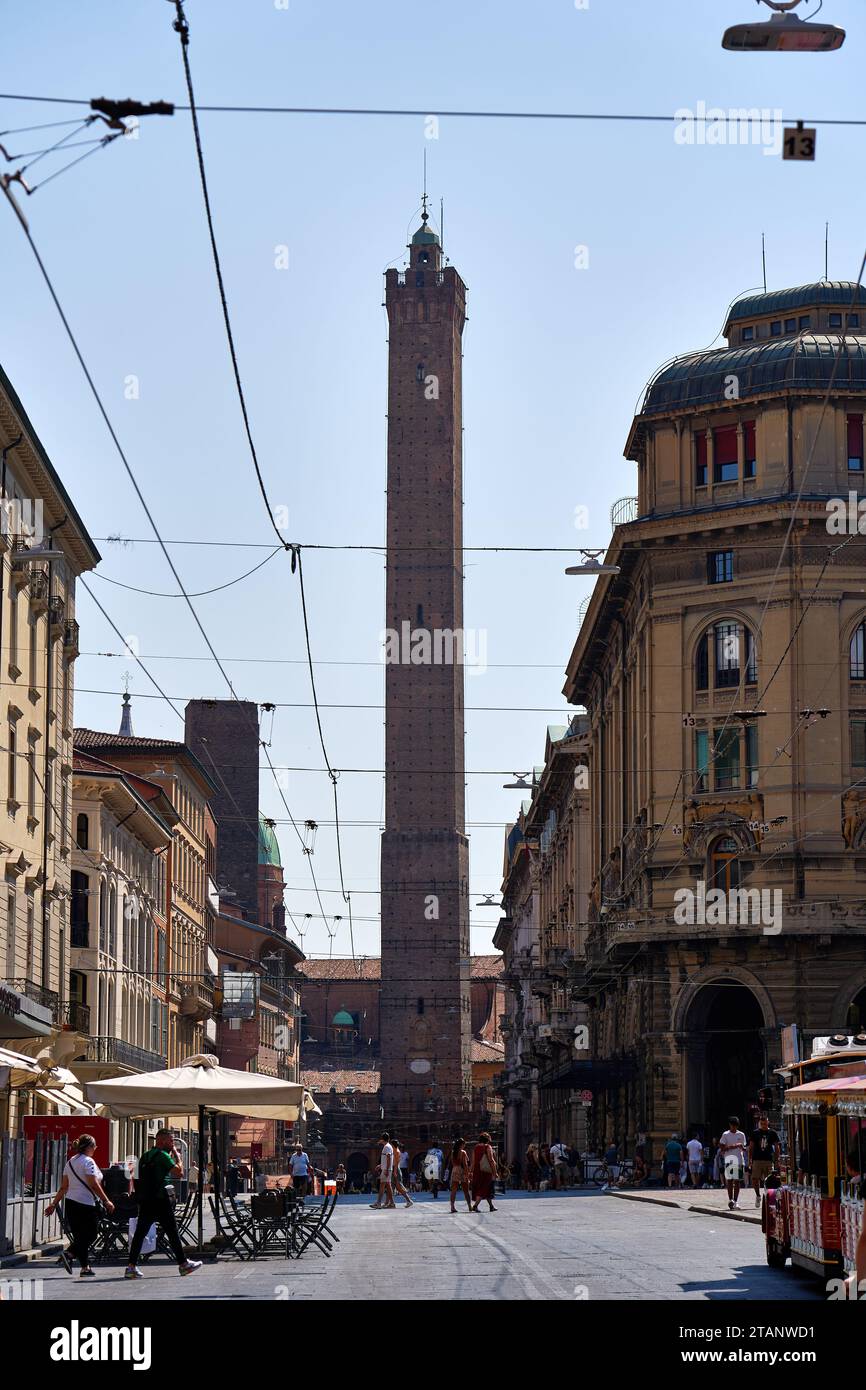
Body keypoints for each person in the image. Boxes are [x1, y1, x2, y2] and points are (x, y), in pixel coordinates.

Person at [124, 1128, 202, 1280]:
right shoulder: (163, 1155)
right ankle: (183, 1265)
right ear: (162, 1141)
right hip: (160, 1199)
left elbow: (136, 1177)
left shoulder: (146, 1156)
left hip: (146, 1200)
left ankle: (131, 1267)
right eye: (171, 1141)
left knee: (140, 1233)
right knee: (172, 1231)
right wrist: (178, 1157)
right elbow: (179, 1173)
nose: (173, 1144)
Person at [46, 1134, 115, 1278]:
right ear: (89, 1147)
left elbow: (64, 1187)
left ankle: (84, 1267)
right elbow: (93, 1183)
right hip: (86, 1204)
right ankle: (70, 1254)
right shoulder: (88, 1161)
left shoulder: (70, 1162)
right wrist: (106, 1200)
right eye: (94, 1146)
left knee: (80, 1236)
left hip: (71, 1203)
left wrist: (54, 1204)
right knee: (91, 1234)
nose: (95, 1149)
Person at [748, 1114, 781, 1208]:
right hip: (757, 1159)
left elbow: (777, 1146)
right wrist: (750, 1160)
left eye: (765, 1123)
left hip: (768, 1159)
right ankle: (758, 1195)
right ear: (760, 1123)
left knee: (770, 1180)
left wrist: (777, 1159)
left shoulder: (772, 1133)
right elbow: (751, 1147)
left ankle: (769, 1197)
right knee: (755, 1179)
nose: (763, 1125)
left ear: (768, 1123)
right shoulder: (755, 1133)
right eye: (762, 1123)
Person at [719, 1115, 749, 1210]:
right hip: (729, 1159)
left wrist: (744, 1149)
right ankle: (730, 1200)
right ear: (730, 1125)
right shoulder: (725, 1134)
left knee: (737, 1181)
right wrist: (735, 1146)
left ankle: (735, 1201)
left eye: (735, 1126)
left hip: (739, 1160)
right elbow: (722, 1148)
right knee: (729, 1181)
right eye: (732, 1125)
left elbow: (743, 1148)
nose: (734, 1127)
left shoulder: (741, 1135)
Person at [471, 1131, 498, 1212]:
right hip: (485, 1171)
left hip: (477, 1170)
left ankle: (491, 1206)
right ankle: (475, 1206)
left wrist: (470, 1171)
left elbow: (473, 1161)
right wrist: (495, 1171)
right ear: (488, 1139)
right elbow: (491, 1160)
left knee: (486, 1188)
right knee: (483, 1188)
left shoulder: (476, 1147)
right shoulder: (488, 1147)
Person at [371, 1132, 396, 1209]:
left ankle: (378, 1203)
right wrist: (381, 1165)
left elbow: (388, 1158)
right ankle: (392, 1203)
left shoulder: (386, 1147)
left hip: (386, 1169)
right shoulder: (388, 1146)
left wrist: (387, 1169)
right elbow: (387, 1159)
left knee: (382, 1186)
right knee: (388, 1186)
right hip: (386, 1168)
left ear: (382, 1139)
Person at [447, 1137, 472, 1213]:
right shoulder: (463, 1152)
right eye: (464, 1145)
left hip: (455, 1170)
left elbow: (452, 1162)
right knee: (466, 1190)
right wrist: (468, 1173)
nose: (464, 1146)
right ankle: (469, 1206)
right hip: (462, 1171)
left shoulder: (453, 1152)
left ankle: (452, 1207)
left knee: (453, 1190)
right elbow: (465, 1164)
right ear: (462, 1144)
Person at [391, 1139, 413, 1207]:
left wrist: (394, 1172)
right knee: (393, 1186)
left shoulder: (397, 1152)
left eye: (391, 1144)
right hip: (395, 1169)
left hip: (396, 1170)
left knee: (398, 1187)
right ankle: (390, 1203)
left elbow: (396, 1163)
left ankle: (409, 1200)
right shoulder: (395, 1151)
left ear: (393, 1145)